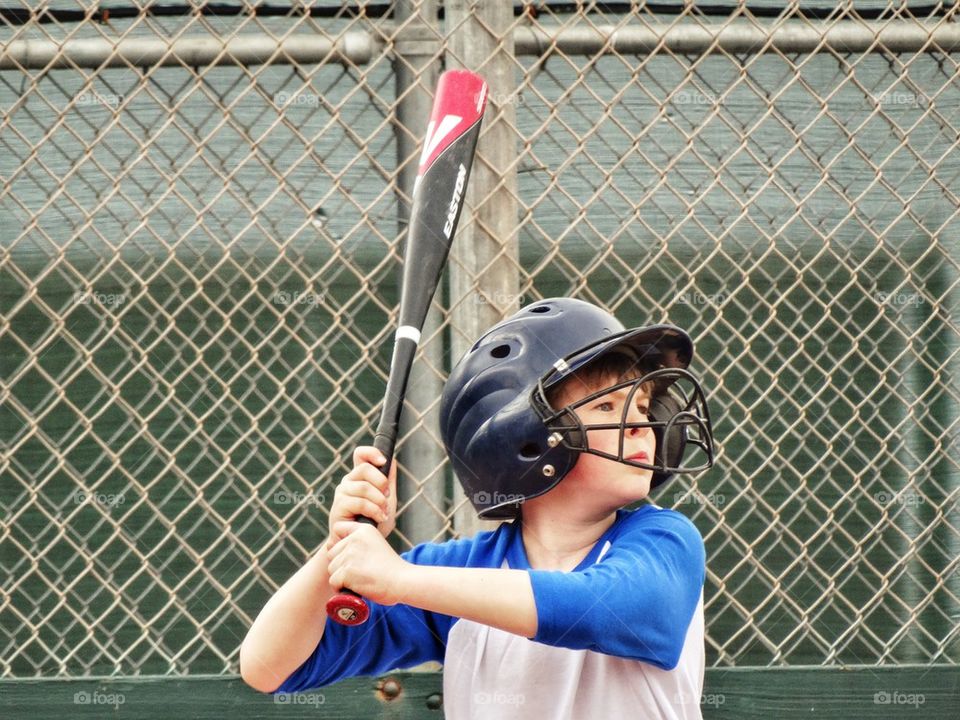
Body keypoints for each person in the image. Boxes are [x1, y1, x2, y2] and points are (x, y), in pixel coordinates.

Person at [240, 297, 715, 719]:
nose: (642, 425)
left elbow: (608, 608)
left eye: (643, 405)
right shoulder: (459, 571)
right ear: (521, 437)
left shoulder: (664, 541)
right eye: (607, 408)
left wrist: (401, 580)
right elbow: (268, 668)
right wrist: (338, 548)